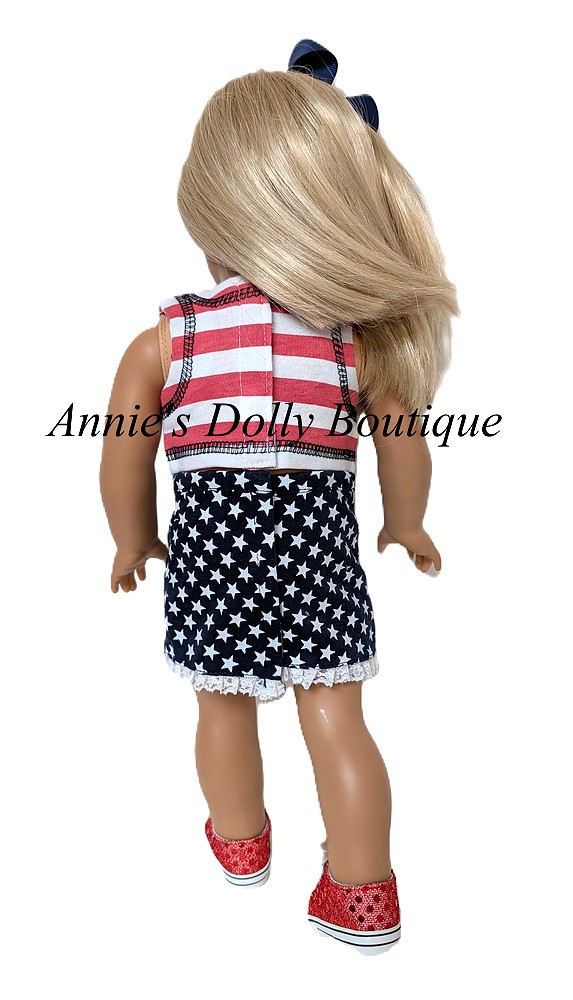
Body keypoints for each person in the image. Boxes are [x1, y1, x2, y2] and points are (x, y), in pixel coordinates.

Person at [99, 38, 459, 955]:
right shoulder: (349, 347)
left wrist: (131, 537)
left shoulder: (167, 341)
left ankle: (241, 844)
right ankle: (362, 889)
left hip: (214, 562)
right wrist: (406, 521)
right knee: (334, 714)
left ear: (218, 211)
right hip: (316, 560)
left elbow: (124, 452)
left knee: (220, 708)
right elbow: (402, 441)